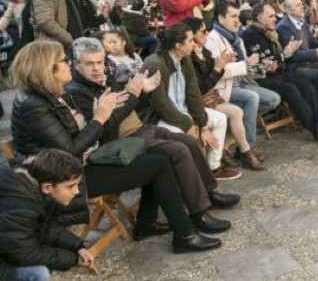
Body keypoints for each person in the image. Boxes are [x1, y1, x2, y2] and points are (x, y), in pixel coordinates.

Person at [10, 40, 223, 254]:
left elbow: (78, 137)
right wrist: (100, 118)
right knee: (160, 162)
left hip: (80, 163)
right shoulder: (35, 105)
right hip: (69, 178)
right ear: (48, 68)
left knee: (160, 159)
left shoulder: (47, 96)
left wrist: (109, 110)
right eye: (64, 61)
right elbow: (71, 150)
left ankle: (152, 225)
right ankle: (184, 234)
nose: (68, 65)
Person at [64, 37, 240, 229]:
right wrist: (133, 93)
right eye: (89, 64)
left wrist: (142, 91)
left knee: (187, 141)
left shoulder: (102, 77)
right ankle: (199, 213)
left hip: (138, 129)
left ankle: (209, 193)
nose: (96, 68)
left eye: (99, 62)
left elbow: (126, 107)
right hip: (118, 143)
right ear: (76, 65)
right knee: (177, 150)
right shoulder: (76, 91)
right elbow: (105, 127)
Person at [0, 149, 91, 281]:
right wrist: (73, 259)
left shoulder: (35, 187)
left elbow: (47, 228)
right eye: (71, 186)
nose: (77, 191)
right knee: (38, 273)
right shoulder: (19, 205)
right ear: (48, 187)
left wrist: (77, 246)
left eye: (77, 185)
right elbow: (25, 253)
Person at [142, 23, 240, 180]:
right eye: (190, 41)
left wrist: (202, 124)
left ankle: (213, 168)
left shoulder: (184, 59)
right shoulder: (155, 63)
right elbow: (161, 105)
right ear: (177, 45)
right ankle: (191, 178)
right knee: (185, 138)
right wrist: (190, 124)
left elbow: (193, 94)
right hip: (159, 119)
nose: (194, 43)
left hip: (182, 110)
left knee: (220, 119)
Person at [241, 3, 318, 142]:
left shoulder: (269, 32)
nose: (275, 19)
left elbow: (276, 60)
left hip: (279, 71)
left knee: (306, 82)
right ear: (259, 17)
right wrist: (286, 53)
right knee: (292, 89)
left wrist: (287, 52)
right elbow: (266, 63)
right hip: (262, 77)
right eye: (271, 16)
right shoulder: (249, 35)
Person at [184, 18, 265, 171]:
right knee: (239, 108)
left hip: (211, 98)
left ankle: (242, 151)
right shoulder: (189, 58)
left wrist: (223, 64)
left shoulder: (204, 52)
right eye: (202, 31)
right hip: (198, 102)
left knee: (239, 109)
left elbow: (215, 74)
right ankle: (242, 153)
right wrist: (220, 66)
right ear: (192, 35)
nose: (206, 33)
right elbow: (202, 86)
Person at [206, 2, 279, 159]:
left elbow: (246, 69)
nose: (237, 21)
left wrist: (263, 68)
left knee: (273, 99)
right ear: (220, 18)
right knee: (251, 98)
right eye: (233, 16)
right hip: (222, 87)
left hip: (241, 83)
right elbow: (218, 71)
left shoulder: (236, 39)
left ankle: (237, 134)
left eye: (238, 16)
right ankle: (247, 148)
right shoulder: (212, 40)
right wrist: (246, 64)